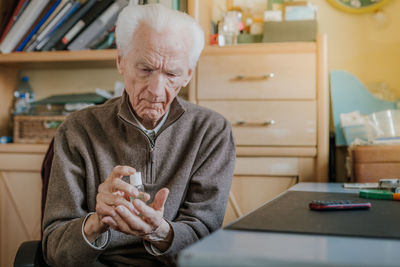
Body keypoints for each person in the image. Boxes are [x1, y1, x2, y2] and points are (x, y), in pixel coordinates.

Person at [42, 4, 235, 266]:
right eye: (145, 69)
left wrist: (160, 231)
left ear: (188, 75)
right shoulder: (78, 129)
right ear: (121, 61)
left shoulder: (211, 132)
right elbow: (55, 249)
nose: (156, 90)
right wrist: (97, 222)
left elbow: (206, 240)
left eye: (171, 74)